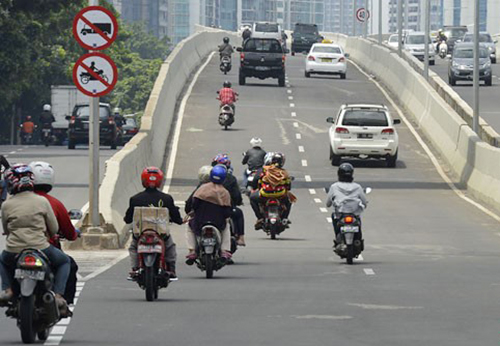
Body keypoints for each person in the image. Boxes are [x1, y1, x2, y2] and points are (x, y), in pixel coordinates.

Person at [0, 164, 70, 316]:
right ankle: (58, 296)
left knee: (2, 260)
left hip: (13, 250)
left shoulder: (6, 205)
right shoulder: (42, 201)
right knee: (64, 261)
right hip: (40, 247)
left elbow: (6, 229)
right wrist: (50, 234)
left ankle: (8, 290)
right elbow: (54, 228)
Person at [29, 161, 80, 305]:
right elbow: (67, 232)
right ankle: (62, 299)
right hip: (45, 247)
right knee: (68, 263)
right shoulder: (53, 203)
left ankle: (8, 290)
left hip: (19, 248)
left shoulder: (14, 201)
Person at [124, 167, 183, 280]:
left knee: (133, 247)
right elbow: (176, 217)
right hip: (160, 234)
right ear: (159, 181)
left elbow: (128, 219)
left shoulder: (135, 199)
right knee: (170, 247)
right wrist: (179, 221)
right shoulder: (166, 198)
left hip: (141, 234)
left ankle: (135, 268)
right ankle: (171, 269)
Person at [185, 165, 233, 265]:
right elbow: (227, 212)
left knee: (189, 227)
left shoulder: (202, 189)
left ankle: (192, 251)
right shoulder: (225, 192)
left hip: (200, 222)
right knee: (227, 226)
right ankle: (225, 251)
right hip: (218, 223)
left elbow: (194, 204)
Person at [249, 152, 295, 230]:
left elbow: (256, 182)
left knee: (252, 198)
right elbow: (288, 187)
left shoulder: (263, 170)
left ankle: (259, 218)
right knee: (290, 200)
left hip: (264, 195)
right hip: (280, 195)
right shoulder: (284, 172)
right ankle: (284, 218)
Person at [326, 163, 368, 244]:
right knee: (358, 220)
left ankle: (338, 238)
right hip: (354, 214)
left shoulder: (334, 186)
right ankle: (358, 239)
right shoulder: (357, 187)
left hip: (340, 214)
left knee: (333, 217)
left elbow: (328, 203)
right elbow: (364, 202)